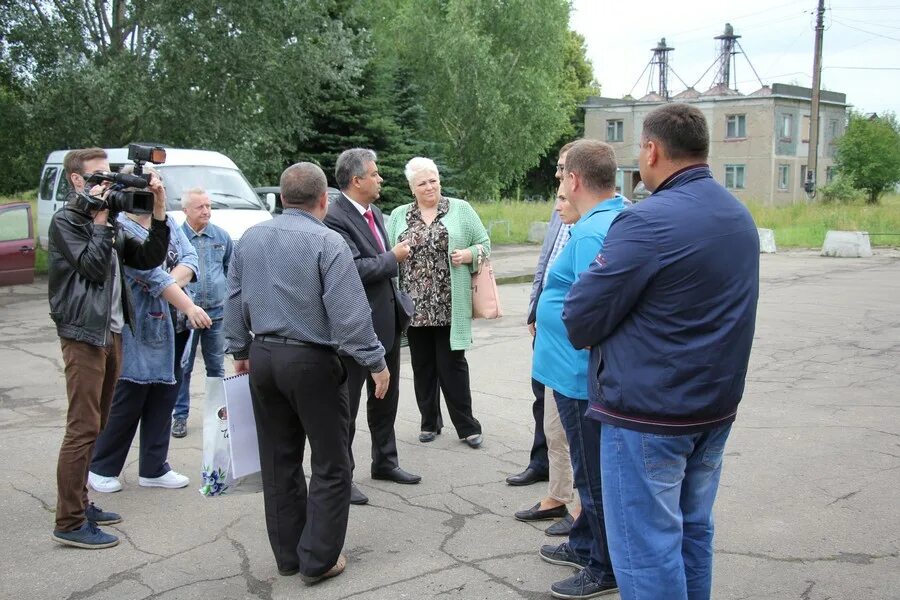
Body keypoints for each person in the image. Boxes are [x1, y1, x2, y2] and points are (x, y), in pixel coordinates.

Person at [563, 103, 760, 600]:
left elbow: (580, 317)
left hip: (649, 417)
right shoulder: (737, 214)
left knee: (647, 550)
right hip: (714, 409)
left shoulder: (645, 222)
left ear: (651, 151)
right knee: (693, 531)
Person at [224, 162, 390, 584]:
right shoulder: (327, 241)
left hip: (262, 356)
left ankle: (288, 556)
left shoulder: (251, 237)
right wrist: (375, 361)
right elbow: (350, 315)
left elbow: (233, 297)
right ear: (323, 200)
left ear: (281, 199)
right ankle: (318, 560)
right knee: (333, 463)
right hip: (312, 361)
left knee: (279, 461)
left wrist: (239, 349)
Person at [48, 147, 170, 549]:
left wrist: (160, 208)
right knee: (82, 428)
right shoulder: (66, 222)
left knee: (97, 425)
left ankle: (82, 503)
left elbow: (150, 257)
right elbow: (94, 268)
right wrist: (101, 220)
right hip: (83, 334)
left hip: (112, 332)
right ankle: (69, 520)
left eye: (110, 174)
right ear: (77, 180)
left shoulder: (111, 223)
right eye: (100, 175)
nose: (110, 181)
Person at [529, 140, 625, 599]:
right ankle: (585, 543)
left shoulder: (591, 232)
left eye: (563, 172)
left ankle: (603, 566)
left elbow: (595, 309)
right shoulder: (601, 220)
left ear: (576, 180)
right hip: (568, 369)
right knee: (590, 470)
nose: (559, 179)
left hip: (577, 374)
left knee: (591, 475)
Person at [87, 163, 212, 495]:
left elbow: (189, 259)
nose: (153, 191)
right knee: (130, 394)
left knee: (164, 394)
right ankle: (101, 466)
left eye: (157, 186)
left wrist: (169, 285)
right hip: (137, 324)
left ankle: (154, 467)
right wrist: (184, 300)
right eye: (144, 188)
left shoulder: (167, 220)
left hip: (171, 324)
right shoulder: (119, 226)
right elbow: (148, 274)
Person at [324, 148, 421, 507]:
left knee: (386, 397)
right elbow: (353, 269)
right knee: (346, 406)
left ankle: (385, 461)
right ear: (356, 180)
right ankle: (342, 476)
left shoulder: (374, 212)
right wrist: (392, 258)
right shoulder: (335, 218)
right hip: (354, 327)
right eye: (375, 174)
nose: (381, 179)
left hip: (386, 321)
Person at [386, 157, 490, 449]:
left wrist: (469, 255)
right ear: (412, 187)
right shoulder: (399, 215)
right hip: (413, 307)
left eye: (433, 180)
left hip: (449, 304)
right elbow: (387, 253)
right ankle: (429, 421)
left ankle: (467, 426)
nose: (429, 186)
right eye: (422, 182)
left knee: (452, 366)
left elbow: (485, 242)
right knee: (422, 367)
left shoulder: (460, 209)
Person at [510, 142, 579, 539]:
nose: (556, 175)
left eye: (561, 168)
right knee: (552, 421)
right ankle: (556, 495)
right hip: (549, 337)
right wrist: (535, 309)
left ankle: (582, 510)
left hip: (576, 344)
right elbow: (545, 262)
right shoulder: (561, 209)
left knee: (578, 430)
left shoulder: (602, 221)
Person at [171, 187, 233, 438]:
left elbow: (231, 270)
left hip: (216, 314)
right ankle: (180, 416)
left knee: (216, 366)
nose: (206, 211)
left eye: (209, 206)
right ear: (186, 210)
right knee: (183, 368)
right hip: (186, 315)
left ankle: (217, 416)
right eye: (200, 207)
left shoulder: (221, 236)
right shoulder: (176, 237)